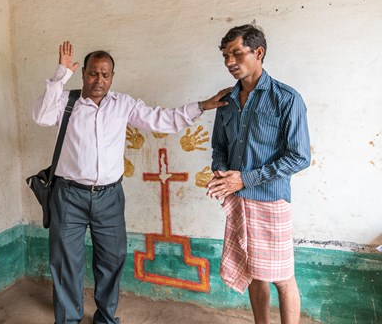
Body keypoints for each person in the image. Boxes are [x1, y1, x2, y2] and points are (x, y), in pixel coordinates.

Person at [33, 41, 231, 324]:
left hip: (109, 197)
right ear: (83, 74)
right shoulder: (66, 102)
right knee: (65, 263)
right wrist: (60, 74)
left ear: (112, 76)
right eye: (92, 73)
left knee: (112, 260)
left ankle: (105, 317)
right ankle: (67, 320)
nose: (98, 80)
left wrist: (201, 106)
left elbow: (161, 119)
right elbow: (40, 116)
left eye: (105, 74)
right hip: (68, 195)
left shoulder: (123, 104)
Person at [206, 24, 311, 324]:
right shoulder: (225, 101)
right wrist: (220, 171)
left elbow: (300, 157)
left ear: (259, 52)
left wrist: (245, 178)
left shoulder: (287, 99)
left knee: (282, 277)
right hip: (238, 199)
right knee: (254, 274)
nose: (229, 62)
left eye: (236, 53)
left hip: (270, 200)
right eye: (226, 56)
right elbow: (219, 147)